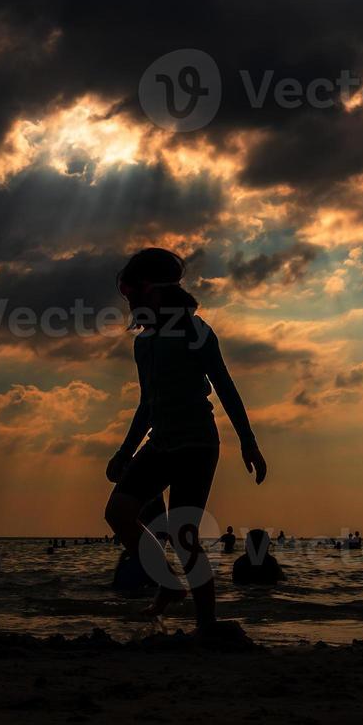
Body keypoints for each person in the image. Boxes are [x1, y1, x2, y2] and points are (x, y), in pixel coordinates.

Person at [102, 248, 267, 634]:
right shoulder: (142, 343)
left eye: (131, 294)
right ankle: (167, 583)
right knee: (118, 512)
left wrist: (249, 441)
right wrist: (124, 451)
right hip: (160, 443)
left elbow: (225, 386)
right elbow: (147, 403)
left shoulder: (196, 331)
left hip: (197, 444)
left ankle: (207, 623)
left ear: (151, 290)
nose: (129, 304)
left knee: (183, 532)